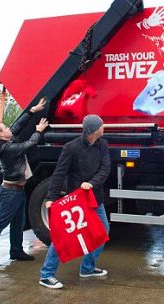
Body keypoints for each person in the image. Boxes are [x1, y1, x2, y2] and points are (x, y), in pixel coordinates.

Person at [0, 98, 49, 274]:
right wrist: (37, 131)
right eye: (5, 128)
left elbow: (18, 126)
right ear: (0, 135)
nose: (8, 129)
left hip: (18, 190)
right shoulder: (7, 149)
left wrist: (32, 111)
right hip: (11, 191)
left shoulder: (6, 140)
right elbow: (27, 145)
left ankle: (16, 251)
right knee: (0, 223)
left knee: (18, 221)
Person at [39, 114, 111, 289]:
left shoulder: (103, 144)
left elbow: (105, 168)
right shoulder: (71, 148)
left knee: (102, 232)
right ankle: (46, 275)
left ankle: (87, 268)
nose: (104, 127)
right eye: (101, 125)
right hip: (77, 200)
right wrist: (51, 198)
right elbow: (59, 174)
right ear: (94, 130)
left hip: (95, 197)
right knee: (64, 236)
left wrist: (92, 183)